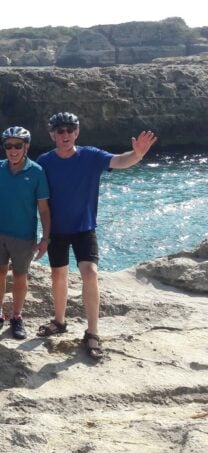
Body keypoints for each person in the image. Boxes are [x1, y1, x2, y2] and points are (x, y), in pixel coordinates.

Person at [36, 112, 157, 360]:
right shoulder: (44, 161)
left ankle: (92, 332)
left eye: (70, 130)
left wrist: (137, 154)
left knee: (89, 273)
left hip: (84, 228)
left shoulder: (90, 155)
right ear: (52, 135)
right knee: (58, 274)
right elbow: (37, 197)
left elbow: (119, 161)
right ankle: (59, 321)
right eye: (60, 131)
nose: (66, 135)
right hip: (57, 230)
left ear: (77, 132)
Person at [0, 127, 51, 340]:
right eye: (8, 146)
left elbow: (43, 208)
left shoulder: (36, 171)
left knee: (19, 276)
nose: (13, 150)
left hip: (24, 235)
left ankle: (16, 317)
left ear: (26, 147)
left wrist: (45, 238)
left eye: (18, 145)